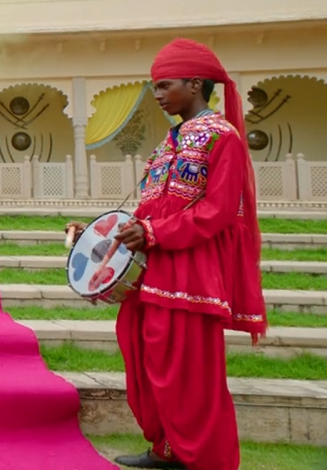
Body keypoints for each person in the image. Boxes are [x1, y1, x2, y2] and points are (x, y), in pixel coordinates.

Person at [69, 38, 266, 470]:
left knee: (189, 371)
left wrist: (154, 233)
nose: (157, 95)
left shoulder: (223, 138)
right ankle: (167, 448)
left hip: (190, 272)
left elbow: (217, 212)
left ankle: (207, 460)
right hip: (151, 270)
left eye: (164, 86)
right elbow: (151, 206)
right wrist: (102, 235)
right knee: (145, 358)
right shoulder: (170, 141)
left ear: (194, 84)